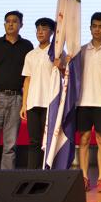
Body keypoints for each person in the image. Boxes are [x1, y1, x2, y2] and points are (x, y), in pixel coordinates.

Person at [0, 11, 34, 172]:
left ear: (21, 25)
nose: (11, 24)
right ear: (4, 24)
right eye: (8, 21)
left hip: (16, 98)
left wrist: (25, 102)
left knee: (10, 146)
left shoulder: (27, 46)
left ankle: (6, 180)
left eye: (14, 21)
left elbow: (29, 75)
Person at [77, 11, 101, 192]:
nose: (97, 29)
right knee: (84, 139)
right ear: (90, 28)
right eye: (94, 26)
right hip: (83, 102)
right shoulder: (81, 50)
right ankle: (84, 177)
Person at [20, 17, 62, 171]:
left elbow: (65, 76)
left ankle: (47, 172)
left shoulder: (56, 52)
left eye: (44, 29)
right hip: (33, 103)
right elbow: (27, 80)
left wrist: (61, 65)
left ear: (51, 32)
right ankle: (32, 173)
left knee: (49, 140)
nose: (40, 32)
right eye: (38, 29)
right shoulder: (31, 54)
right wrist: (24, 104)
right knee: (34, 140)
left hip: (50, 102)